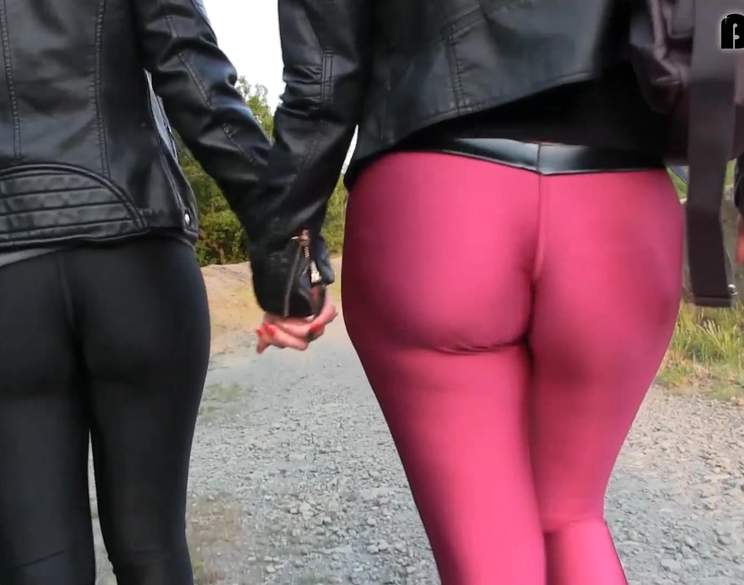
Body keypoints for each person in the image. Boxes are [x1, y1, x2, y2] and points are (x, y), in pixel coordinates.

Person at [0, 1, 334, 583]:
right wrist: (285, 247)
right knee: (153, 549)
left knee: (36, 566)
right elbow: (195, 81)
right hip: (139, 261)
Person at [252, 2, 690, 584]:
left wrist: (284, 260)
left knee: (490, 547)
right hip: (620, 207)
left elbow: (322, 77)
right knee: (573, 517)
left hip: (437, 201)